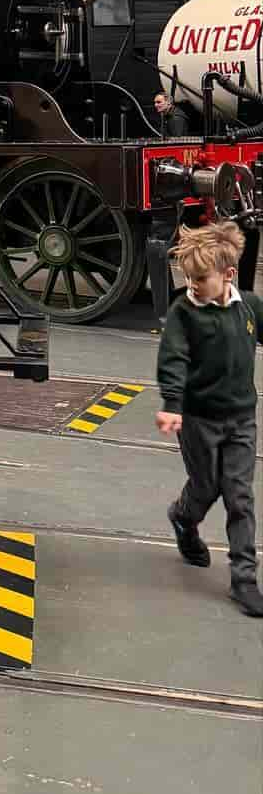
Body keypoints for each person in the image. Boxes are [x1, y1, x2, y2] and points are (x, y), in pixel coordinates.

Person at [155, 220, 263, 615]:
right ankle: (183, 517)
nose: (192, 285)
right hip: (199, 419)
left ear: (228, 275)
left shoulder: (249, 307)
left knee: (239, 493)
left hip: (241, 419)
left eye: (200, 278)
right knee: (205, 487)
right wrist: (171, 403)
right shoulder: (185, 312)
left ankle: (244, 578)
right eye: (188, 277)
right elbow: (174, 359)